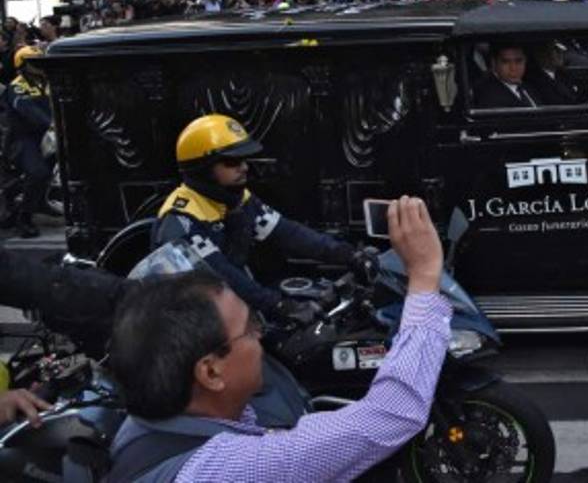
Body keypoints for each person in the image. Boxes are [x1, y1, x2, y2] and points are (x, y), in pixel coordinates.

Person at [107, 195, 448, 482]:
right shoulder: (226, 470)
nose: (260, 335)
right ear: (210, 372)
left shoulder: (148, 429)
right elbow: (389, 415)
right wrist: (424, 275)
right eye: (250, 328)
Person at [152, 115, 359, 322]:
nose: (244, 167)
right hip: (199, 326)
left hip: (234, 310)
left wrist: (348, 254)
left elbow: (289, 234)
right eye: (232, 161)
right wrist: (276, 305)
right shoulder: (182, 220)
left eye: (244, 159)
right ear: (202, 168)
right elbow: (222, 277)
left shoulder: (238, 200)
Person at [1, 46, 52, 238]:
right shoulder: (18, 86)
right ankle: (24, 218)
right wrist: (51, 123)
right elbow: (30, 111)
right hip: (22, 139)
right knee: (39, 173)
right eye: (33, 62)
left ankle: (40, 201)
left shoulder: (46, 82)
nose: (39, 65)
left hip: (46, 137)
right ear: (22, 65)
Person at [474, 44, 540, 108]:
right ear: (494, 63)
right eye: (506, 62)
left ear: (525, 61)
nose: (513, 68)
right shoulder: (488, 96)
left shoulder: (530, 87)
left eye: (518, 61)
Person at [525, 42, 579, 106]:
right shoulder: (534, 81)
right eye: (555, 50)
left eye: (561, 50)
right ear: (542, 54)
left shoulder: (563, 75)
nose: (560, 54)